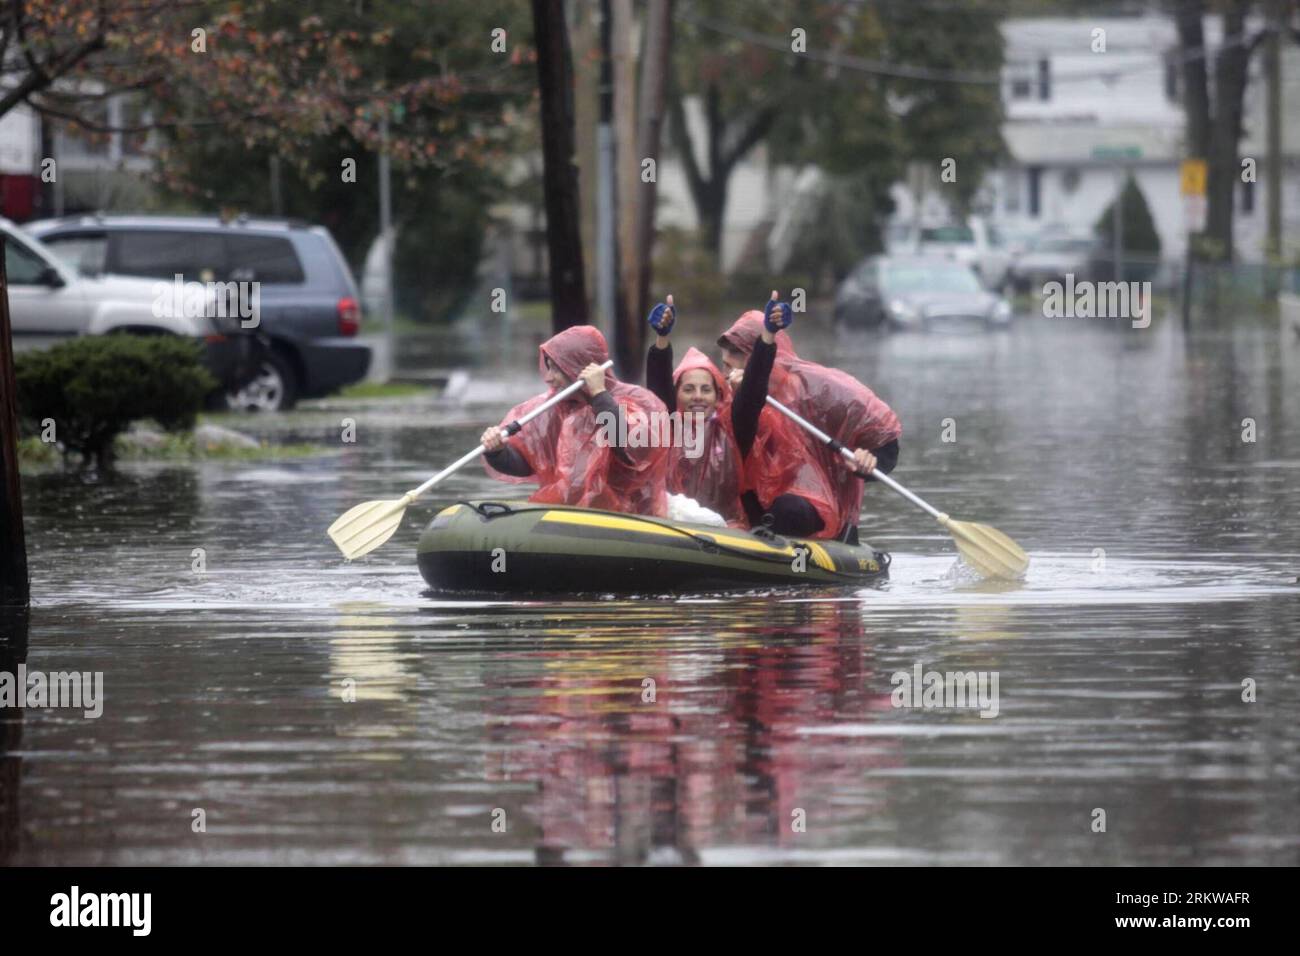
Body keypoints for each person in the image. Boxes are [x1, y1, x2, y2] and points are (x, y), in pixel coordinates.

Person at [719, 295, 902, 541]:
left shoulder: (818, 390)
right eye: (724, 363)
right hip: (753, 503)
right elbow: (744, 414)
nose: (727, 369)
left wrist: (869, 462)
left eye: (736, 359)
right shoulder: (725, 399)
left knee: (787, 509)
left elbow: (884, 436)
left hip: (813, 504)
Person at [481, 325, 669, 516]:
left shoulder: (636, 400)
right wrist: (498, 452)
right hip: (570, 517)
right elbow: (528, 463)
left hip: (631, 516)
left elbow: (631, 449)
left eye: (556, 369)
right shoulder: (552, 411)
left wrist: (598, 395)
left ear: (578, 368)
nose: (549, 378)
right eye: (549, 367)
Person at [643, 294, 746, 526]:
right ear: (676, 395)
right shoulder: (668, 426)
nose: (698, 396)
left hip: (725, 530)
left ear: (718, 395)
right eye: (688, 389)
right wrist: (662, 339)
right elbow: (659, 386)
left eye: (705, 389)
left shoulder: (731, 429)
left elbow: (750, 403)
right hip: (671, 523)